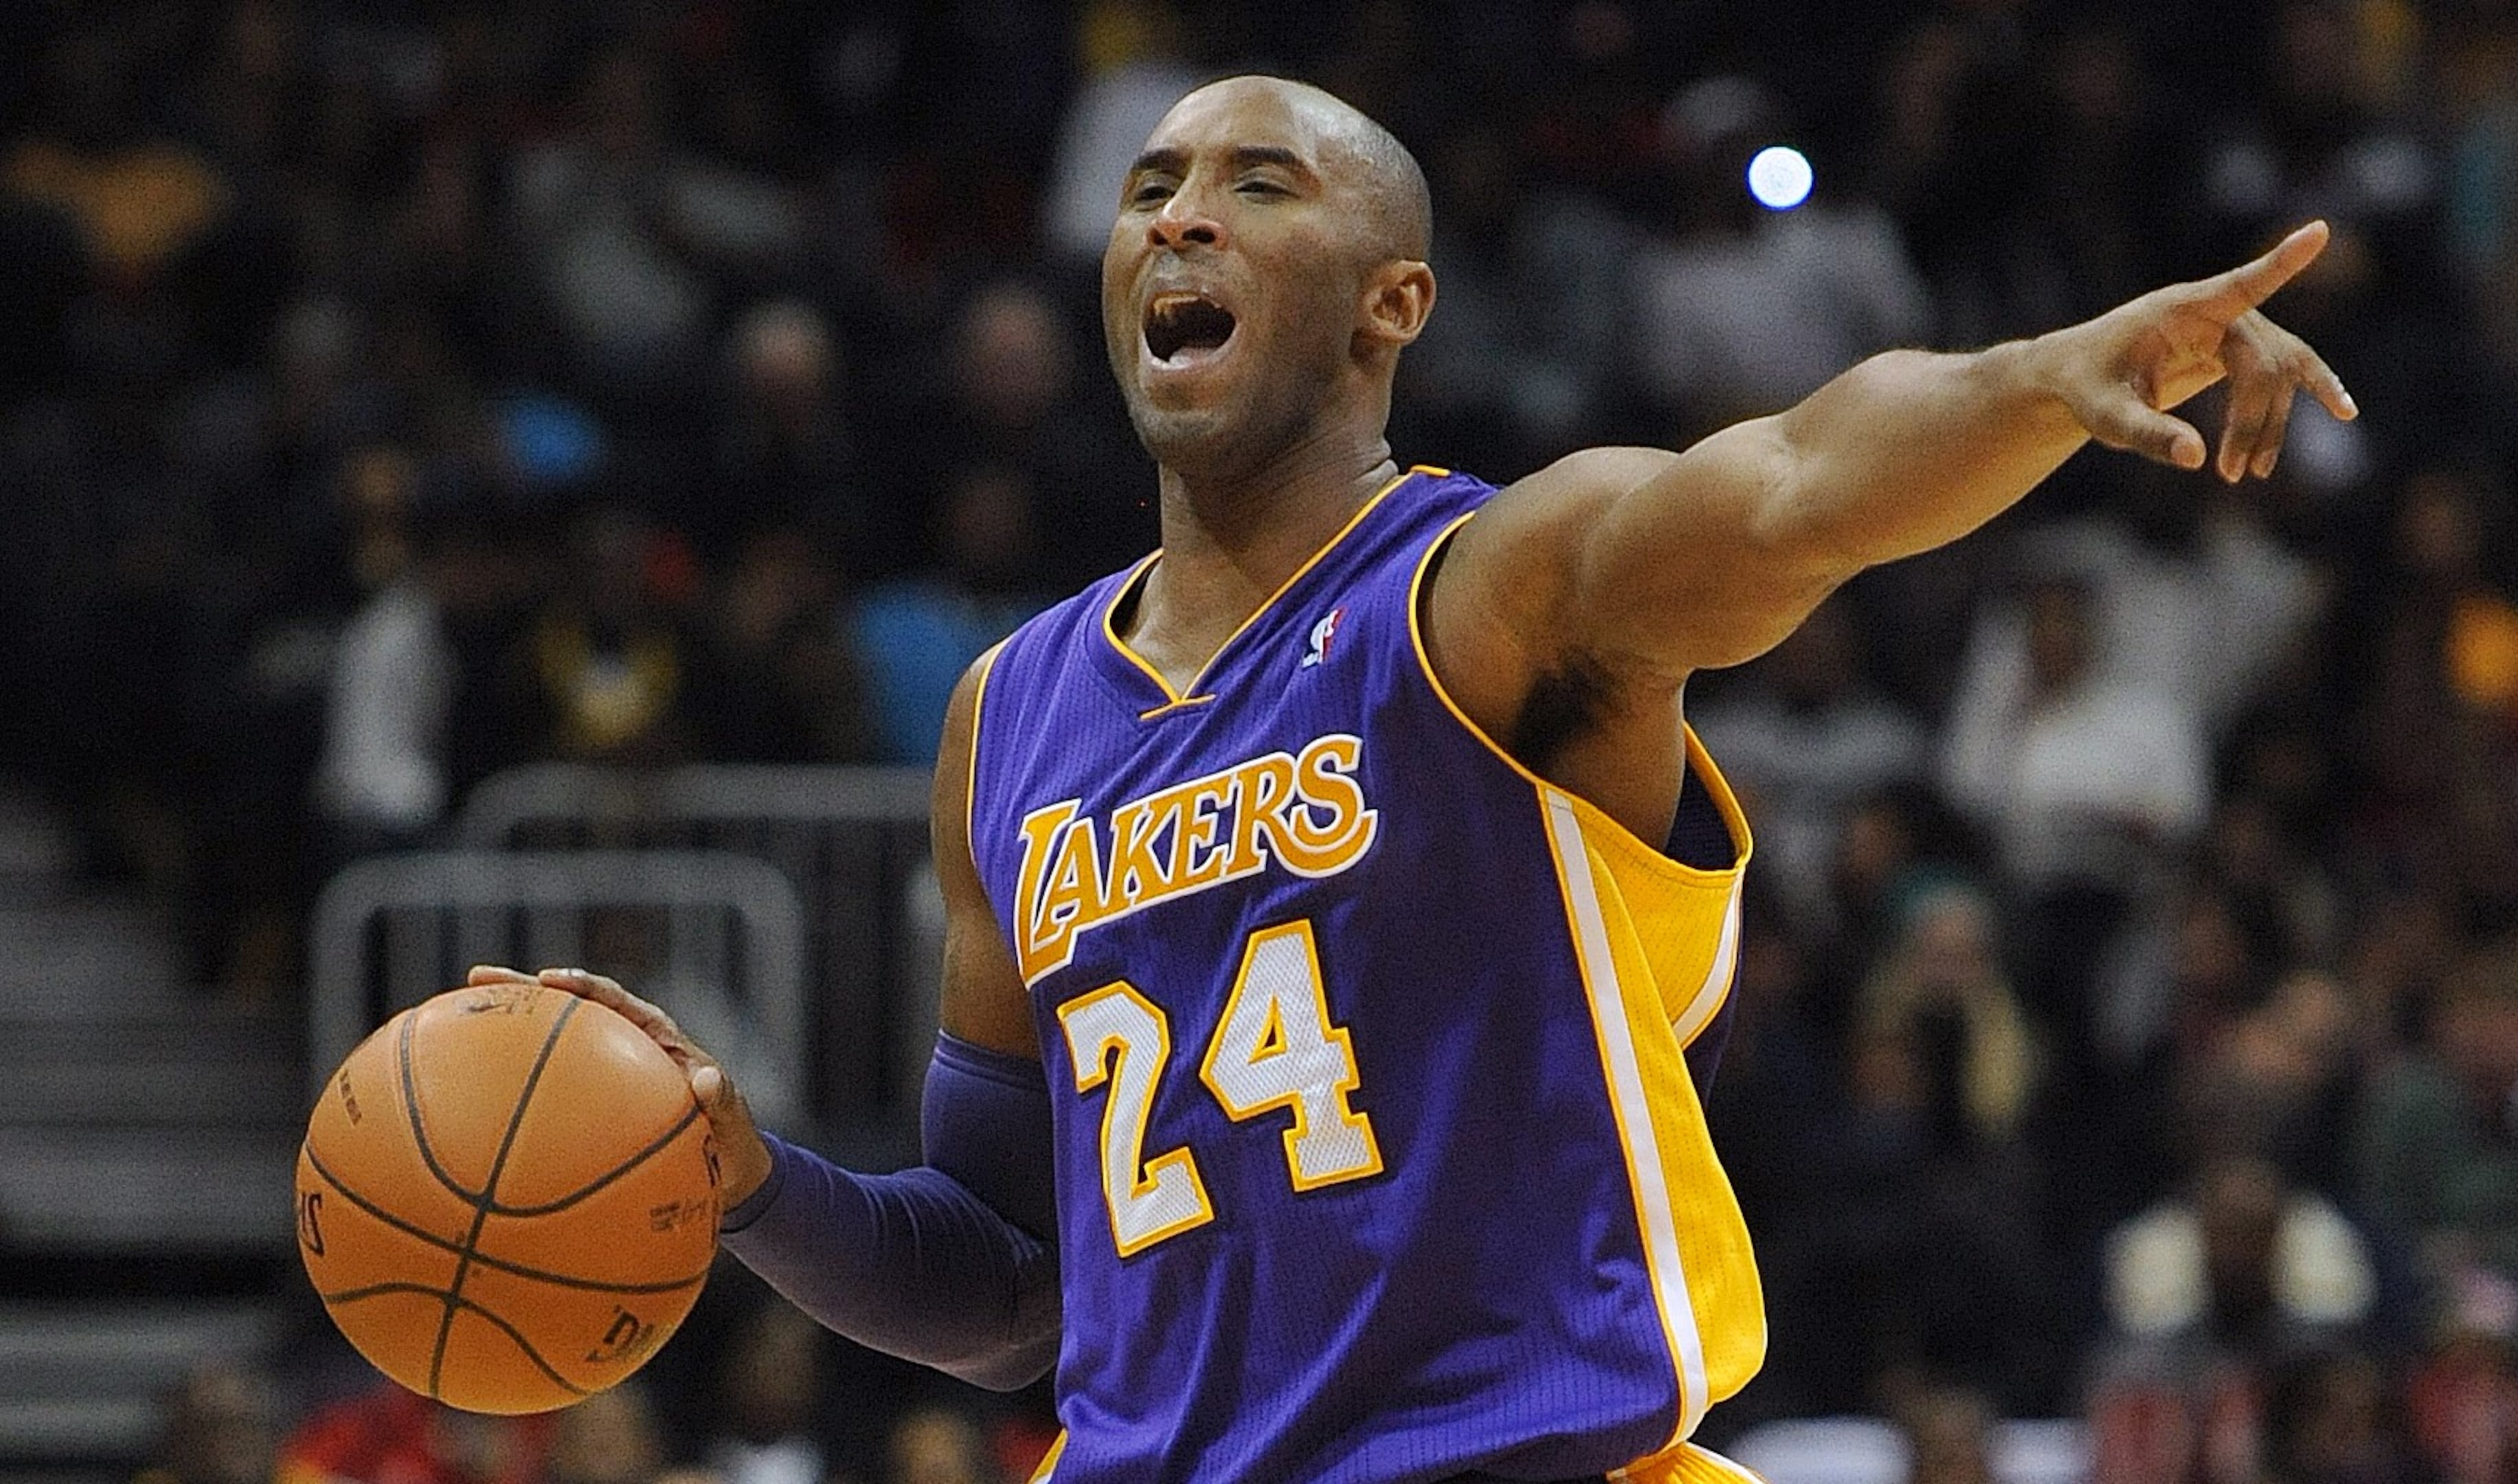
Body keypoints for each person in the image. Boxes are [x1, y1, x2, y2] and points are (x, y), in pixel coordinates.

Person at [472, 74, 2352, 1484]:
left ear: (1393, 305)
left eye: (1255, 187)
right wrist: (747, 1187)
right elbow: (1020, 1293)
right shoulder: (1008, 716)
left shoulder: (1492, 595)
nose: (1180, 220)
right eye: (1151, 192)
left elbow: (1793, 483)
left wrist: (2036, 378)